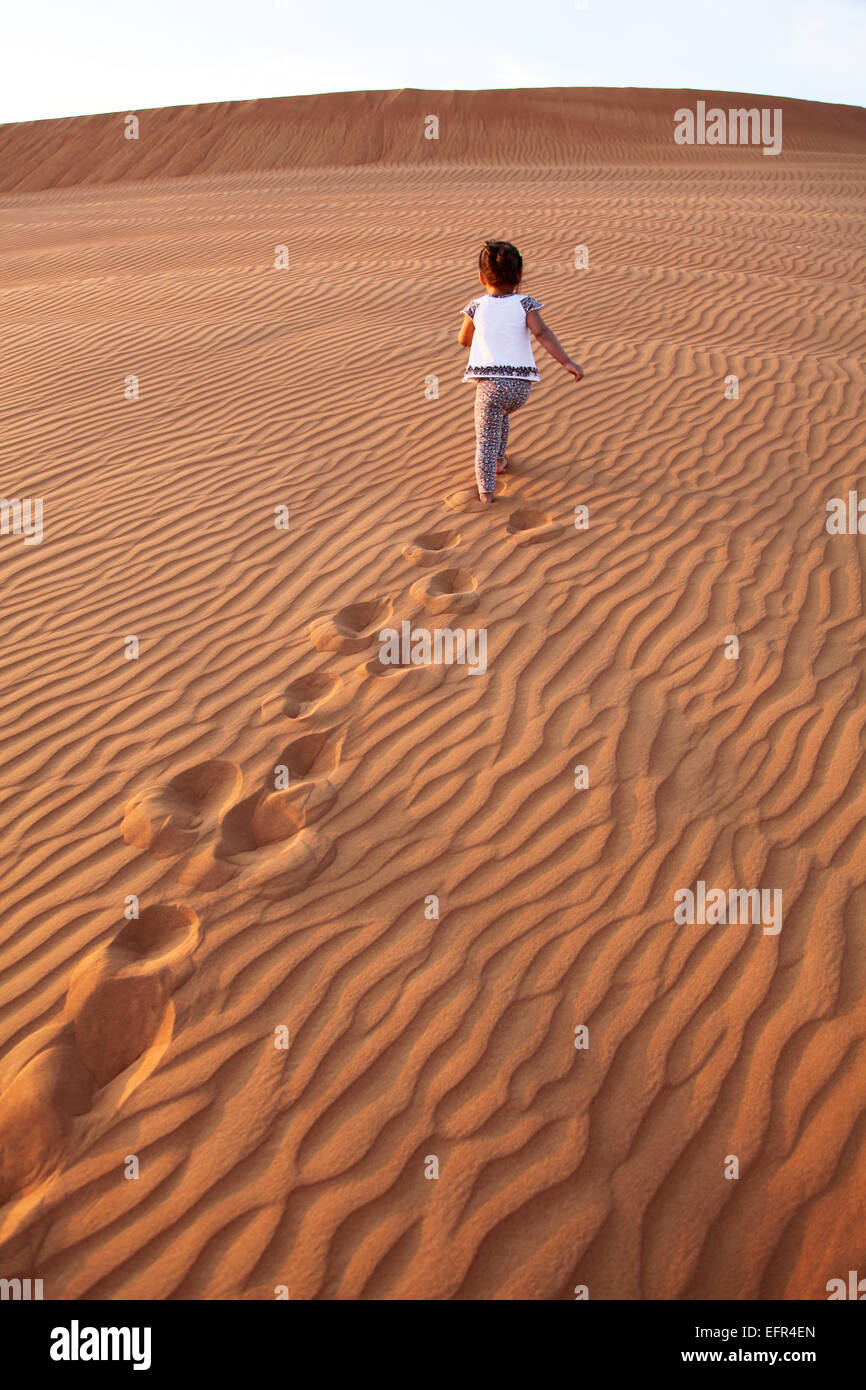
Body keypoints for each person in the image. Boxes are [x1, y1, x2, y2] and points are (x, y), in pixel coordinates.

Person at [458, 240, 584, 502]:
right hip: (519, 389)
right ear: (519, 276)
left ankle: (486, 495)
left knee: (485, 439)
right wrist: (567, 362)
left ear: (482, 278)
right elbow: (542, 333)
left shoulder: (476, 306)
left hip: (490, 387)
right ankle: (500, 462)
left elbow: (464, 339)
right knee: (501, 419)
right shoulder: (525, 304)